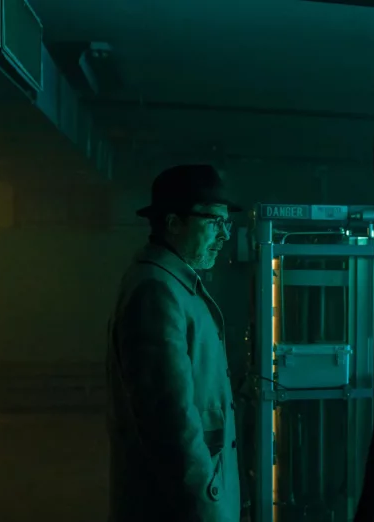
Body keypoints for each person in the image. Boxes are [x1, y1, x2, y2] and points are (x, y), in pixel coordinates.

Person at [107, 164, 243, 521]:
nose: (224, 235)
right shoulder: (157, 291)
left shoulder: (173, 286)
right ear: (173, 223)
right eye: (214, 222)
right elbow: (171, 422)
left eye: (227, 224)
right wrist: (208, 506)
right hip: (182, 507)